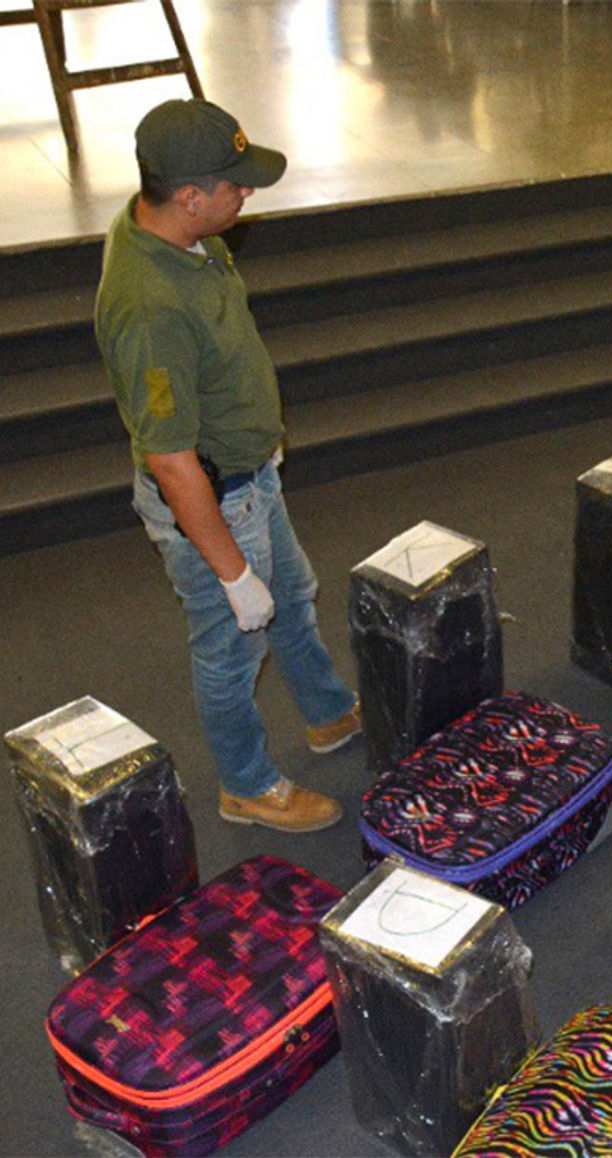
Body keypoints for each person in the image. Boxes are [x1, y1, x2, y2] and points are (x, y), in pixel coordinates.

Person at [96, 99, 358, 830]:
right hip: (215, 500)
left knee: (294, 597)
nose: (247, 193)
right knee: (230, 649)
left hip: (251, 474)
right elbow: (170, 460)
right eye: (235, 184)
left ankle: (330, 713)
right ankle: (246, 785)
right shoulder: (149, 309)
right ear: (188, 196)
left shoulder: (183, 234)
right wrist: (233, 574)